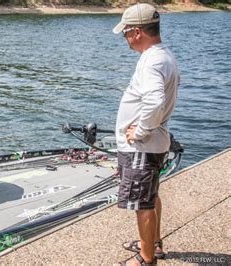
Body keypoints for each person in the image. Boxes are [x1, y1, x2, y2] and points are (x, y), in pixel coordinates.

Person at [112, 3, 179, 266]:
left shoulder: (152, 61)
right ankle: (153, 244)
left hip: (143, 146)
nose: (125, 39)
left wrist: (140, 131)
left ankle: (146, 258)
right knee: (150, 196)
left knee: (142, 203)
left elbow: (154, 101)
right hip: (152, 143)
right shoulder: (163, 56)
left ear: (137, 32)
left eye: (126, 33)